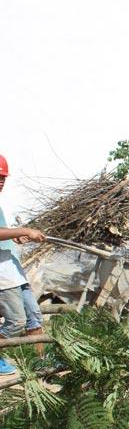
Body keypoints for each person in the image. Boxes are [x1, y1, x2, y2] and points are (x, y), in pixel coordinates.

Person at [0, 154, 46, 375]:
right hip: (2, 274)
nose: (1, 181)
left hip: (13, 269)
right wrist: (24, 230)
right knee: (16, 321)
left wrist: (15, 237)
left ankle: (41, 363)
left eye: (3, 177)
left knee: (33, 316)